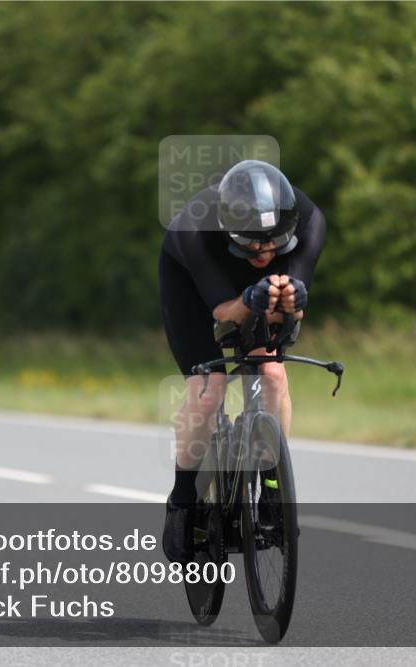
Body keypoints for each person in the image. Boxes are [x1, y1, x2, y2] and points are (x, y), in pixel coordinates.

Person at [158, 160, 327, 563]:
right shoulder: (195, 229)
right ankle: (181, 502)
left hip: (256, 291)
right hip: (196, 290)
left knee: (271, 374)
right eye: (253, 244)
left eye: (273, 242)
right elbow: (223, 312)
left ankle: (272, 482)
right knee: (209, 391)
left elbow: (292, 303)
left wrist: (293, 301)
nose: (265, 251)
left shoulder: (309, 220)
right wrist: (249, 300)